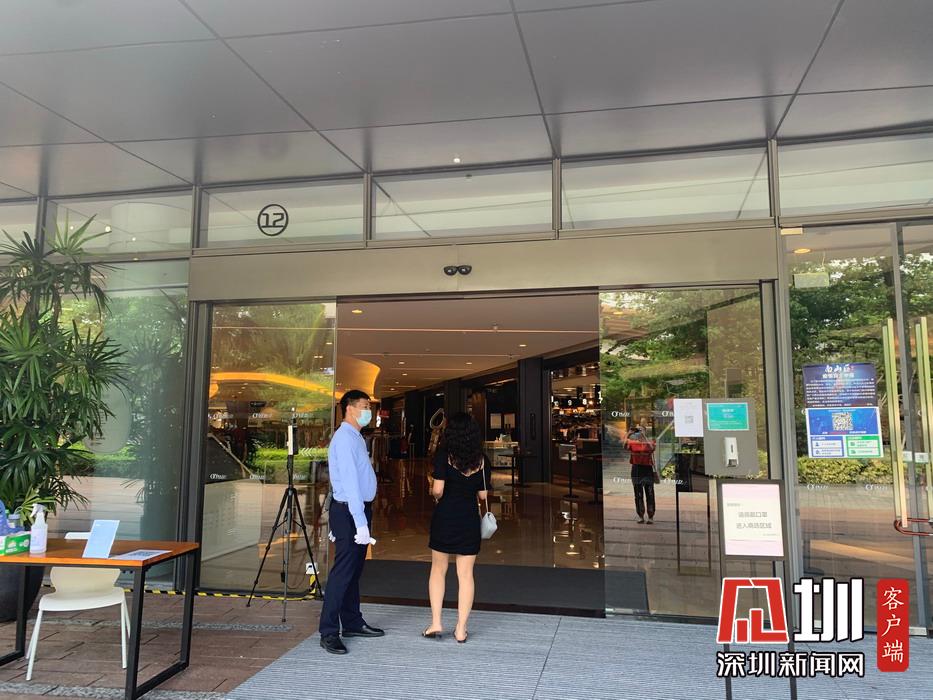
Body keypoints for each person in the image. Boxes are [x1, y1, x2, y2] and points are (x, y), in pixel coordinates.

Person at [319, 389, 384, 655]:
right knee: (343, 572)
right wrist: (360, 522)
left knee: (354, 570)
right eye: (364, 406)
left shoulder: (356, 437)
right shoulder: (344, 439)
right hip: (349, 511)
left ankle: (352, 621)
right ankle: (328, 631)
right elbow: (350, 483)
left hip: (356, 510)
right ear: (349, 408)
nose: (368, 411)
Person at [423, 412, 491, 643]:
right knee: (466, 575)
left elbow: (438, 490)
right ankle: (461, 629)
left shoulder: (444, 456)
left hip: (445, 516)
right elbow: (483, 495)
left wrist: (435, 493)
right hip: (469, 518)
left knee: (438, 570)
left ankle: (436, 623)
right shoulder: (482, 460)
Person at [627, 424, 657, 524]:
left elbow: (652, 448)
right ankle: (640, 515)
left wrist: (643, 436)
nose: (639, 432)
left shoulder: (650, 441)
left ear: (645, 431)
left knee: (650, 493)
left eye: (641, 430)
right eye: (638, 430)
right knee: (638, 494)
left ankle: (651, 516)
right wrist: (629, 434)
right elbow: (625, 446)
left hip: (647, 469)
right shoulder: (632, 442)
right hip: (636, 469)